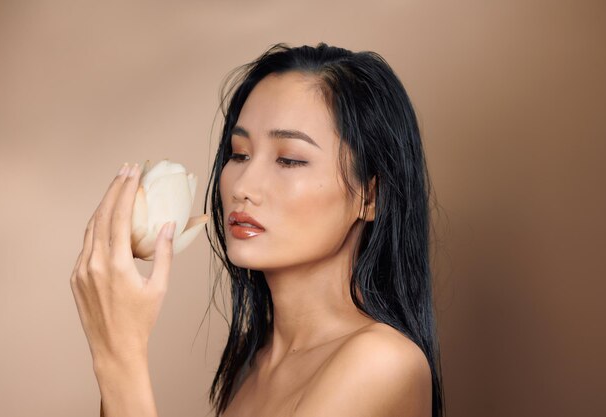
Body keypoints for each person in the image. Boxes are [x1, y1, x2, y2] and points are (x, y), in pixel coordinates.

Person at [70, 42, 444, 417]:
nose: (243, 185)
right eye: (239, 154)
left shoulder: (383, 362)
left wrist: (119, 354)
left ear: (370, 196)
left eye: (290, 159)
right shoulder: (253, 364)